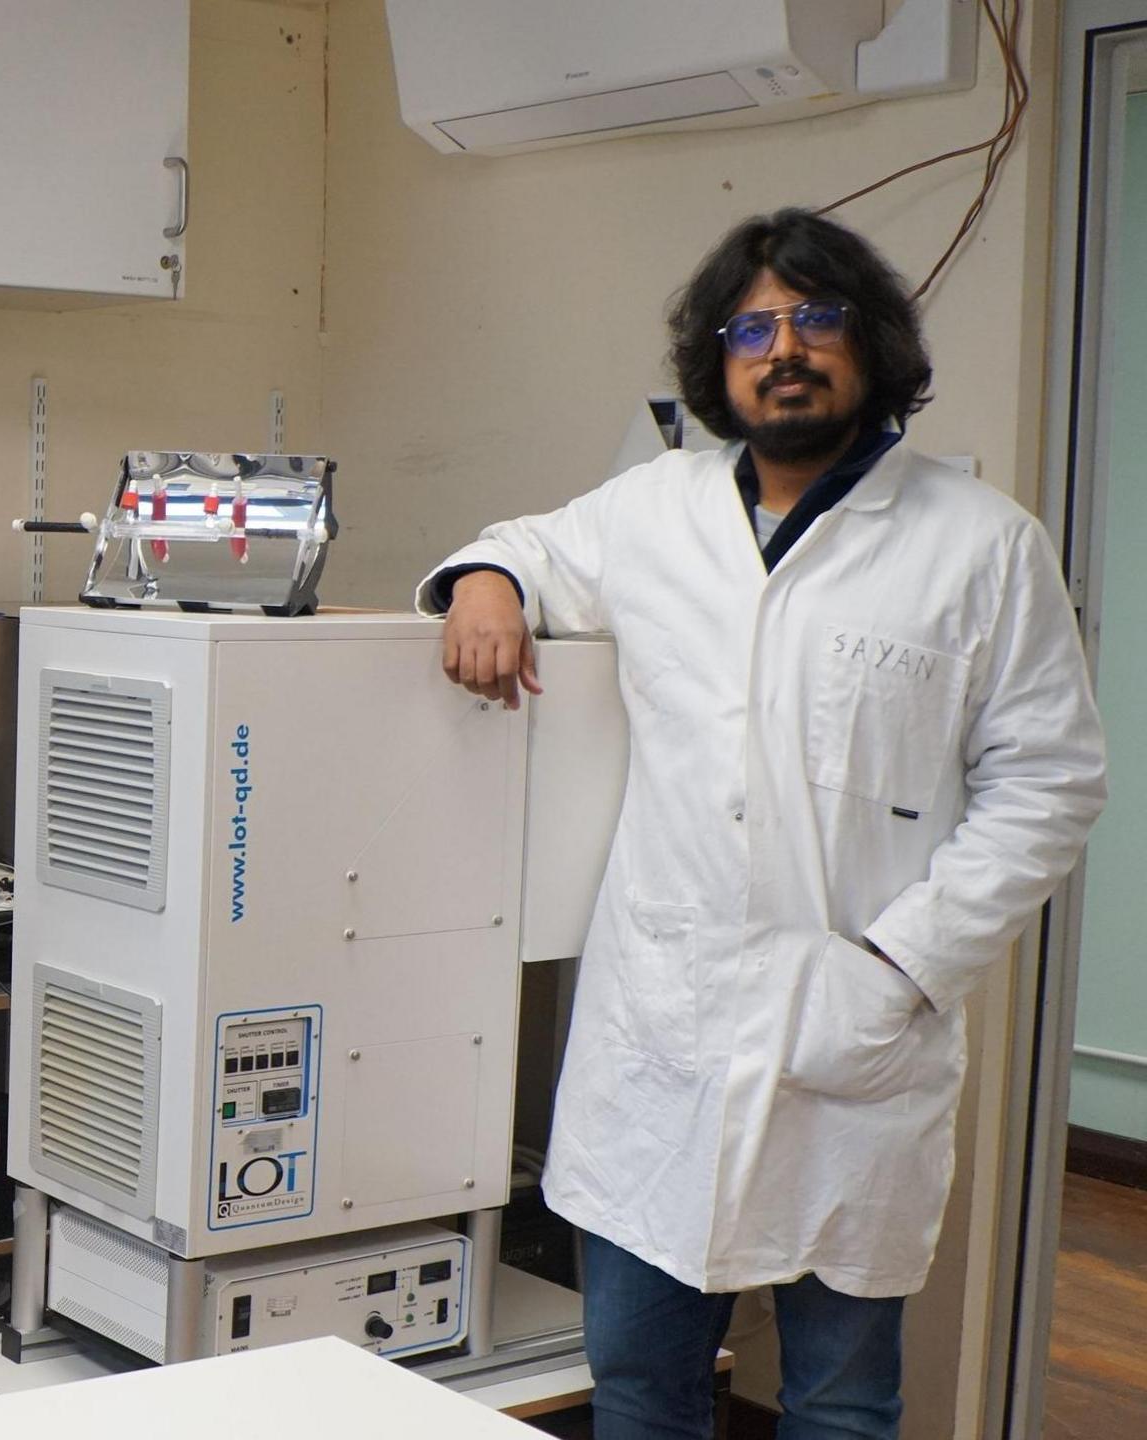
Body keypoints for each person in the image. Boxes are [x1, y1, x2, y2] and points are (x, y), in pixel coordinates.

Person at [420, 208, 1106, 1440]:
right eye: (752, 325)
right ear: (717, 360)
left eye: (814, 317)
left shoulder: (983, 547)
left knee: (838, 1402)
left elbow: (1048, 782)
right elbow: (525, 545)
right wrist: (487, 582)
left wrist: (902, 965)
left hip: (852, 1034)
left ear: (871, 343)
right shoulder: (655, 508)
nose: (782, 348)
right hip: (660, 1040)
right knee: (640, 1391)